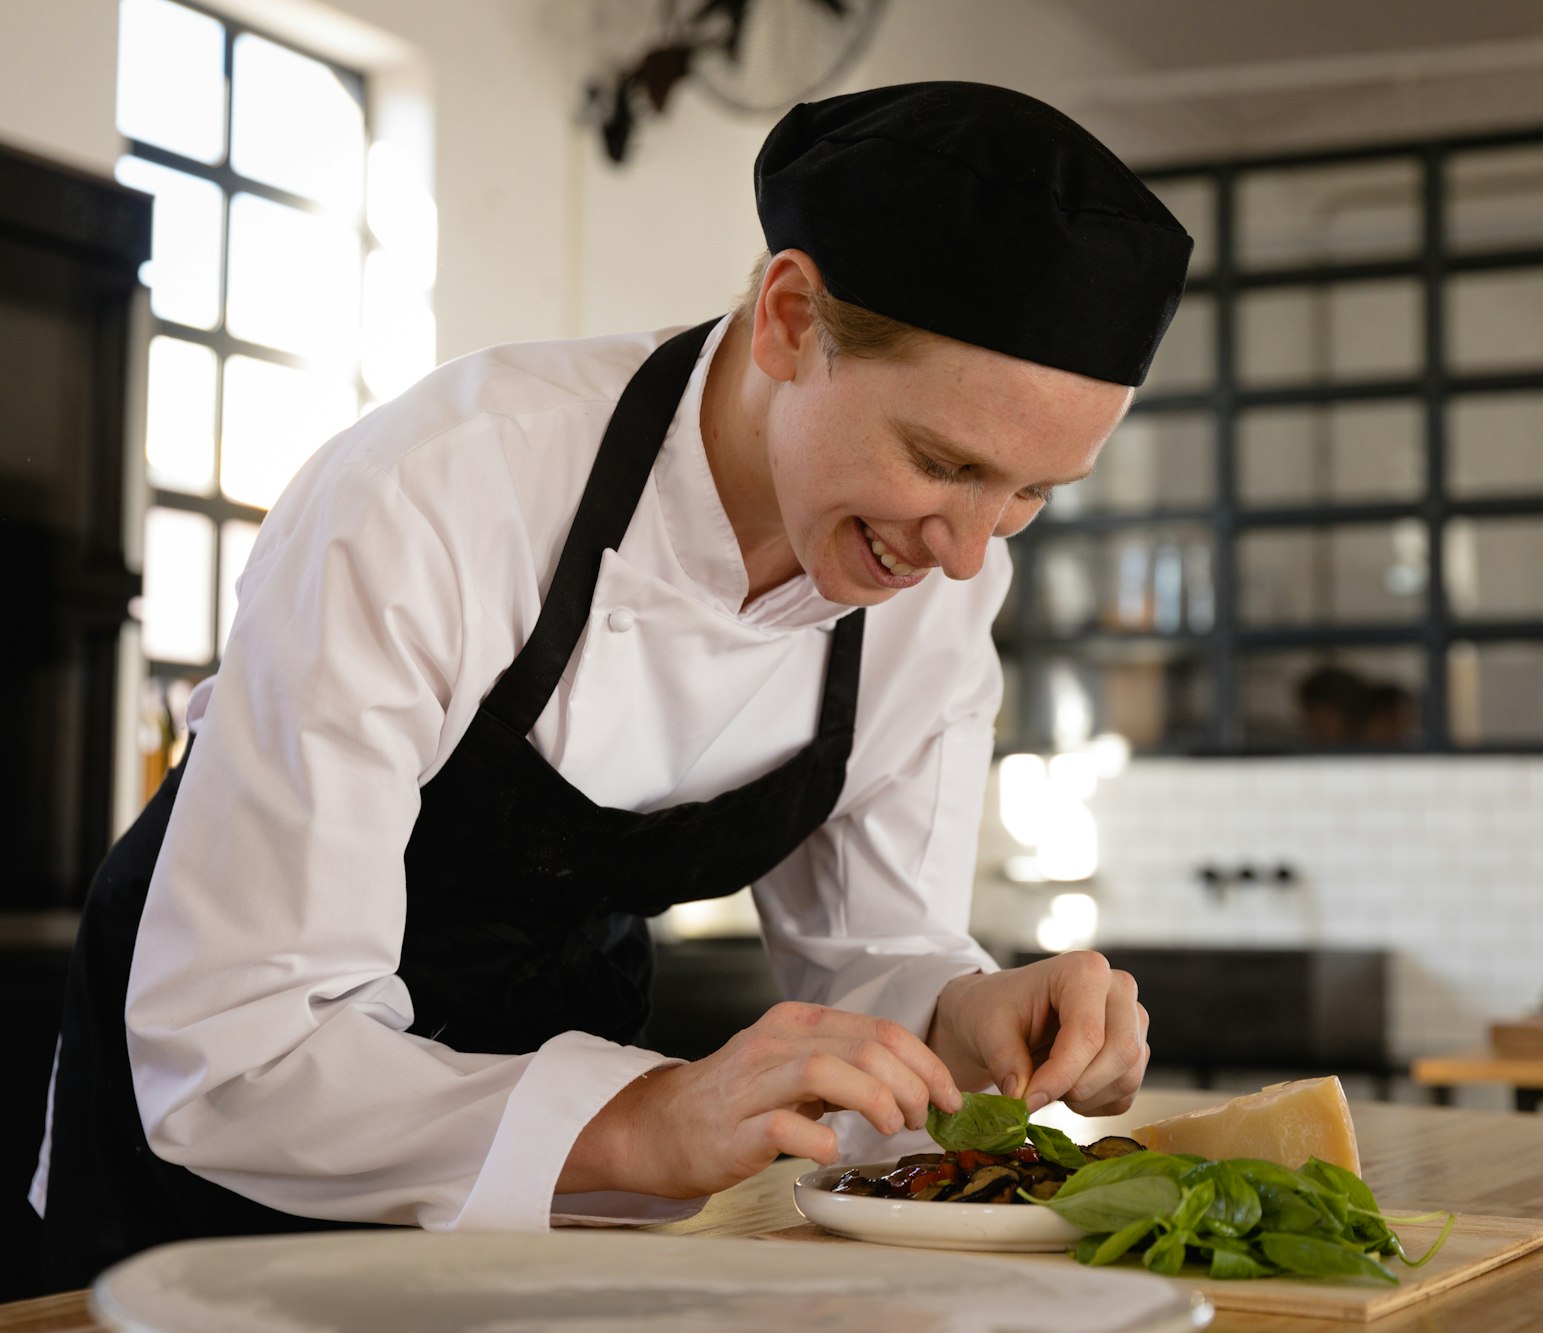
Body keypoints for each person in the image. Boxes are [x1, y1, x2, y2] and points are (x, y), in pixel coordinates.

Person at [33, 81, 1192, 1288]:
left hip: (557, 1189)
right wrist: (641, 1121)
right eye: (941, 461)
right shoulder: (439, 493)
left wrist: (963, 1008)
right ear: (789, 319)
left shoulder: (940, 577)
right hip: (229, 1163)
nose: (967, 550)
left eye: (1029, 495)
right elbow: (239, 1050)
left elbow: (872, 946)